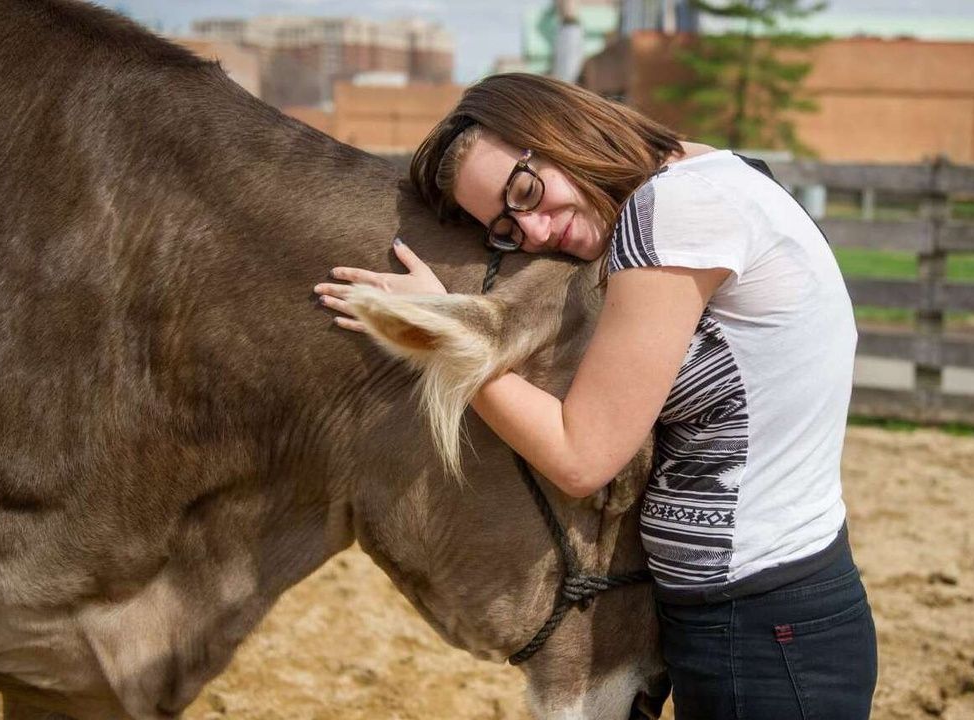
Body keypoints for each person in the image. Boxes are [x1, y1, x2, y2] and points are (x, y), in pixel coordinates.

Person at [313, 73, 877, 719]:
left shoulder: (674, 212)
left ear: (559, 128)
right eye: (507, 228)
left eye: (525, 191)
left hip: (763, 626)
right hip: (762, 615)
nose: (536, 229)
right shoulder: (710, 179)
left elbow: (582, 457)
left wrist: (442, 340)